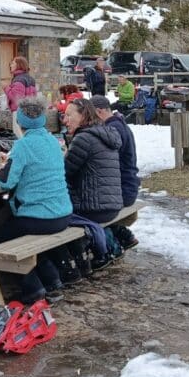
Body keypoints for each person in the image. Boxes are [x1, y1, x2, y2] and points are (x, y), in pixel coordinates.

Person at [0, 96, 74, 303]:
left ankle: (32, 287)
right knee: (22, 236)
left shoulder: (23, 146)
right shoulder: (53, 142)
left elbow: (6, 183)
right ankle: (52, 279)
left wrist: (3, 168)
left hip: (39, 217)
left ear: (19, 121)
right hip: (63, 212)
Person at [63, 97, 123, 273]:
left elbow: (64, 172)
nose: (65, 120)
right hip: (111, 203)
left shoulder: (84, 139)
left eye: (68, 115)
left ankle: (70, 261)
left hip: (93, 208)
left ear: (83, 116)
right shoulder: (104, 133)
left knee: (53, 216)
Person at [91, 95, 140, 249]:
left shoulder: (112, 130)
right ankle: (123, 234)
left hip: (122, 189)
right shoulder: (120, 125)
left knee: (87, 206)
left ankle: (109, 245)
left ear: (99, 112)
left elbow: (104, 165)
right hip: (129, 185)